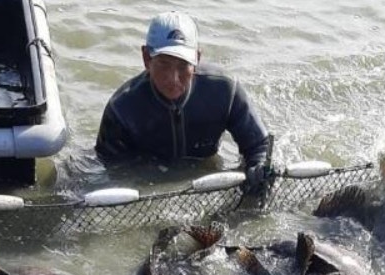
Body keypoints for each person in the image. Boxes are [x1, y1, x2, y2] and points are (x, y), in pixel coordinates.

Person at [94, 11, 272, 194]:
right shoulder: (121, 109)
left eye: (182, 66)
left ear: (197, 59)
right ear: (146, 58)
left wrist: (257, 168)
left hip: (204, 169)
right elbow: (114, 171)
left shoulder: (225, 90)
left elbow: (259, 145)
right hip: (152, 181)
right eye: (164, 64)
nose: (173, 78)